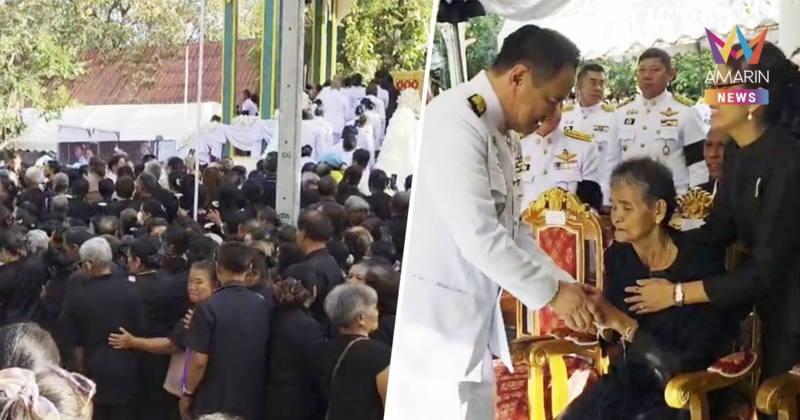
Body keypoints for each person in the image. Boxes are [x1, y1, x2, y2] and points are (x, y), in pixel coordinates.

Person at [385, 25, 602, 420]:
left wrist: (565, 283)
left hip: (470, 333)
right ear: (518, 76)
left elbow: (514, 231)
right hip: (434, 339)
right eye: (551, 100)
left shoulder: (499, 131)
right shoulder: (456, 120)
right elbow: (480, 237)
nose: (553, 114)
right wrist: (554, 295)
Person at [625, 41, 800, 420]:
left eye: (722, 88)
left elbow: (767, 269)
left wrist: (676, 294)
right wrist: (659, 245)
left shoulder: (788, 162)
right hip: (765, 305)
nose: (711, 98)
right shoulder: (737, 151)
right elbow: (719, 228)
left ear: (753, 100)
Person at [559, 157, 735, 420]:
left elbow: (685, 363)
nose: (615, 216)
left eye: (626, 208)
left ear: (659, 210)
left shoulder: (699, 260)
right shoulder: (619, 256)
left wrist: (622, 323)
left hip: (685, 389)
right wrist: (600, 319)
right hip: (630, 381)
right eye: (615, 206)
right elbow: (614, 336)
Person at [182, 242, 271, 420]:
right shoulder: (262, 304)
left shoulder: (208, 307)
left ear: (218, 267)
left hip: (214, 403)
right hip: (251, 400)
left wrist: (187, 392)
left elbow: (199, 360)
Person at [61, 237, 145, 420]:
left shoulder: (78, 297)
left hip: (93, 373)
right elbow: (141, 329)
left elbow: (75, 343)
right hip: (127, 371)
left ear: (89, 265)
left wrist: (79, 371)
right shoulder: (133, 290)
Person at [607, 48, 707, 195]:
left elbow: (698, 164)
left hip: (674, 197)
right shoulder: (621, 112)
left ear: (670, 75)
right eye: (642, 70)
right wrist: (609, 197)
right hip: (631, 198)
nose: (647, 76)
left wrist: (696, 201)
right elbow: (612, 160)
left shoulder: (685, 112)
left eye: (655, 70)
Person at [323, 283, 390, 420]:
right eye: (374, 307)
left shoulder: (323, 347)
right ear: (361, 318)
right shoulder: (378, 355)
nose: (378, 312)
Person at [519, 104, 601, 209]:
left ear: (561, 107)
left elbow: (591, 206)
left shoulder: (584, 147)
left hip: (568, 224)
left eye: (553, 103)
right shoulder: (516, 145)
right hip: (523, 224)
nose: (547, 110)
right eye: (542, 103)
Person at [560, 63, 618, 202]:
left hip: (599, 193)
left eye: (601, 84)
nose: (598, 88)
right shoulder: (565, 116)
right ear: (579, 85)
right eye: (593, 83)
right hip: (568, 192)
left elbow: (615, 160)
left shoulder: (614, 116)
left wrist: (608, 197)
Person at [695, 128, 729, 196]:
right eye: (709, 145)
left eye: (721, 145)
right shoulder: (697, 196)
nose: (713, 154)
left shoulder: (751, 197)